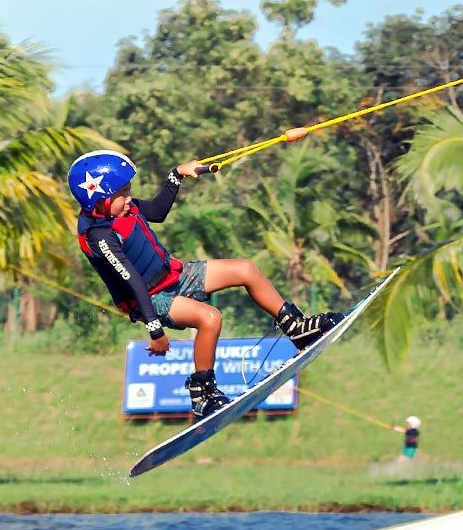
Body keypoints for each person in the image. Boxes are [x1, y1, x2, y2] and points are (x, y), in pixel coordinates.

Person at [68, 148, 339, 418]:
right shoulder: (99, 236)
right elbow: (133, 281)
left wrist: (176, 175)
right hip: (150, 298)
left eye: (128, 191)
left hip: (174, 275)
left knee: (245, 269)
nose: (128, 199)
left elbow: (157, 211)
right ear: (99, 201)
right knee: (210, 318)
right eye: (122, 194)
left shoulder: (122, 209)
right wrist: (155, 331)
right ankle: (202, 393)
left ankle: (296, 327)